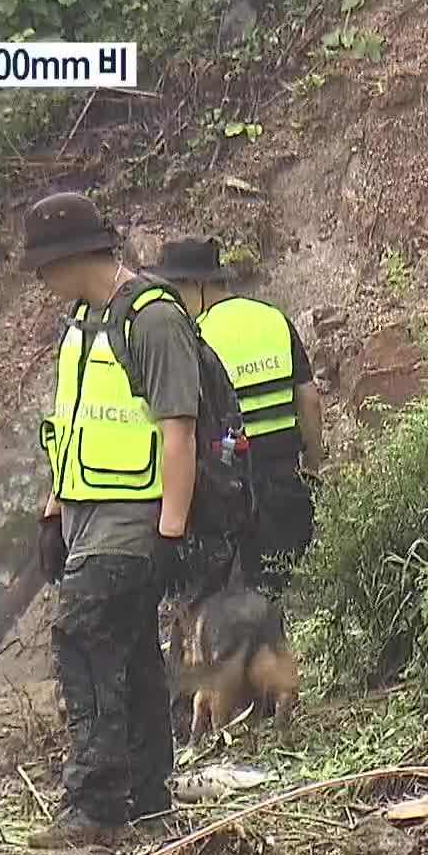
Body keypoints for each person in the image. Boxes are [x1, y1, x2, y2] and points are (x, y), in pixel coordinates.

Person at [26, 192, 200, 847]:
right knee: (129, 651)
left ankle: (97, 803)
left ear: (72, 257)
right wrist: (53, 511)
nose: (40, 281)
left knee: (82, 636)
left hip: (137, 520)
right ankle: (148, 797)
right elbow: (70, 426)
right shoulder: (80, 323)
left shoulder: (152, 321)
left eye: (44, 266)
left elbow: (179, 431)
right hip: (86, 514)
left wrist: (173, 533)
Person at [148, 237, 323, 599]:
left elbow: (181, 426)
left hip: (227, 494)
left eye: (175, 290)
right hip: (285, 482)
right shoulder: (273, 318)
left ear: (196, 285)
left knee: (231, 606)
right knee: (285, 597)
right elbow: (309, 398)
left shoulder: (193, 337)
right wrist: (313, 464)